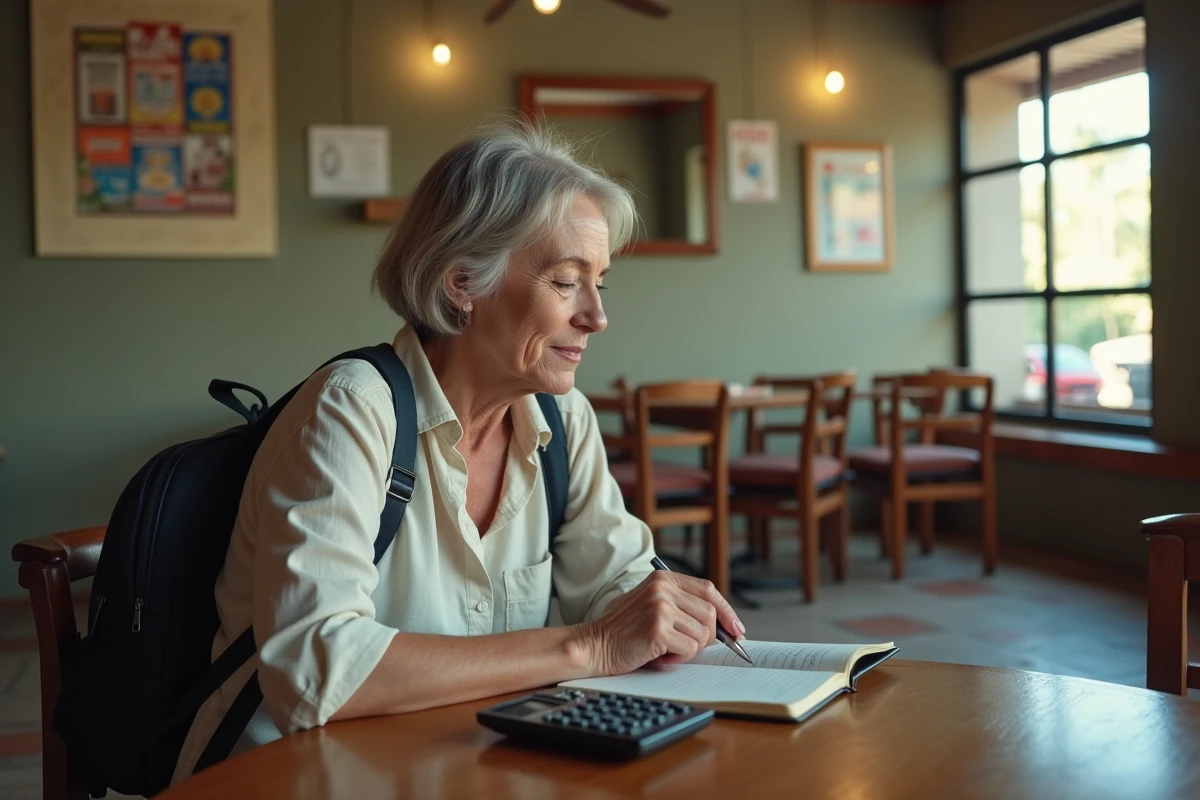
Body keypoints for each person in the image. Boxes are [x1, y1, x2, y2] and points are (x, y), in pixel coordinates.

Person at [172, 121, 746, 782]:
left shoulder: (564, 420)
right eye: (566, 282)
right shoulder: (351, 409)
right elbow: (313, 671)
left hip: (466, 767)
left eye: (601, 284)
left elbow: (614, 584)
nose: (596, 316)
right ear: (462, 284)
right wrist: (585, 647)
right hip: (295, 777)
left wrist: (661, 608)